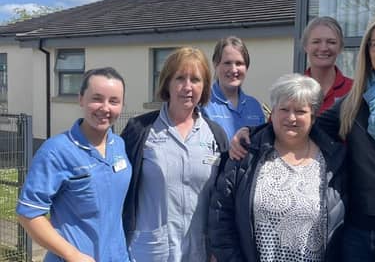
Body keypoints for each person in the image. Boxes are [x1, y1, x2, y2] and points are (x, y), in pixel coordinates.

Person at [230, 10, 375, 262]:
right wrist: (252, 133)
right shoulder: (352, 101)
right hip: (355, 233)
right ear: (367, 51)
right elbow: (303, 126)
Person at [209, 73, 346, 262]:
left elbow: (345, 229)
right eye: (284, 109)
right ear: (272, 113)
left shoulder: (335, 161)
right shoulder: (246, 154)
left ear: (313, 117)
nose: (291, 117)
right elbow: (220, 218)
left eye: (300, 111)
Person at [121, 47, 228, 262]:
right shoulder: (140, 129)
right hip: (149, 252)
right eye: (180, 78)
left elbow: (224, 199)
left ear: (204, 87)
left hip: (200, 252)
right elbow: (118, 190)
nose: (187, 87)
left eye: (196, 80)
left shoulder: (216, 134)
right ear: (167, 83)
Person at [16, 67, 130, 262]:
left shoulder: (118, 145)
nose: (105, 108)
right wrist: (72, 254)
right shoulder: (56, 150)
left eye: (114, 101)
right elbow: (29, 214)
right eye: (97, 98)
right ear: (81, 99)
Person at [204, 36, 265, 139]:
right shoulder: (204, 104)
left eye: (239, 63)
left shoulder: (254, 105)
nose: (233, 70)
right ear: (215, 64)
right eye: (227, 63)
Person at [302, 17, 353, 114]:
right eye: (316, 42)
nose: (324, 48)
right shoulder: (290, 91)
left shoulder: (355, 91)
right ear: (305, 46)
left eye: (331, 42)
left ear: (340, 47)